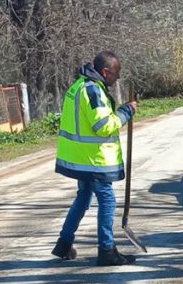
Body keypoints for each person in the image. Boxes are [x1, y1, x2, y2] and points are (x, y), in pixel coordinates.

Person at [51, 50, 138, 266]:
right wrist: (126, 112)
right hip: (93, 159)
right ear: (105, 71)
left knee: (83, 198)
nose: (117, 78)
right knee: (107, 200)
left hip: (81, 158)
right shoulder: (92, 91)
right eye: (116, 73)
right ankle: (107, 250)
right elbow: (103, 126)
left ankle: (63, 244)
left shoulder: (80, 86)